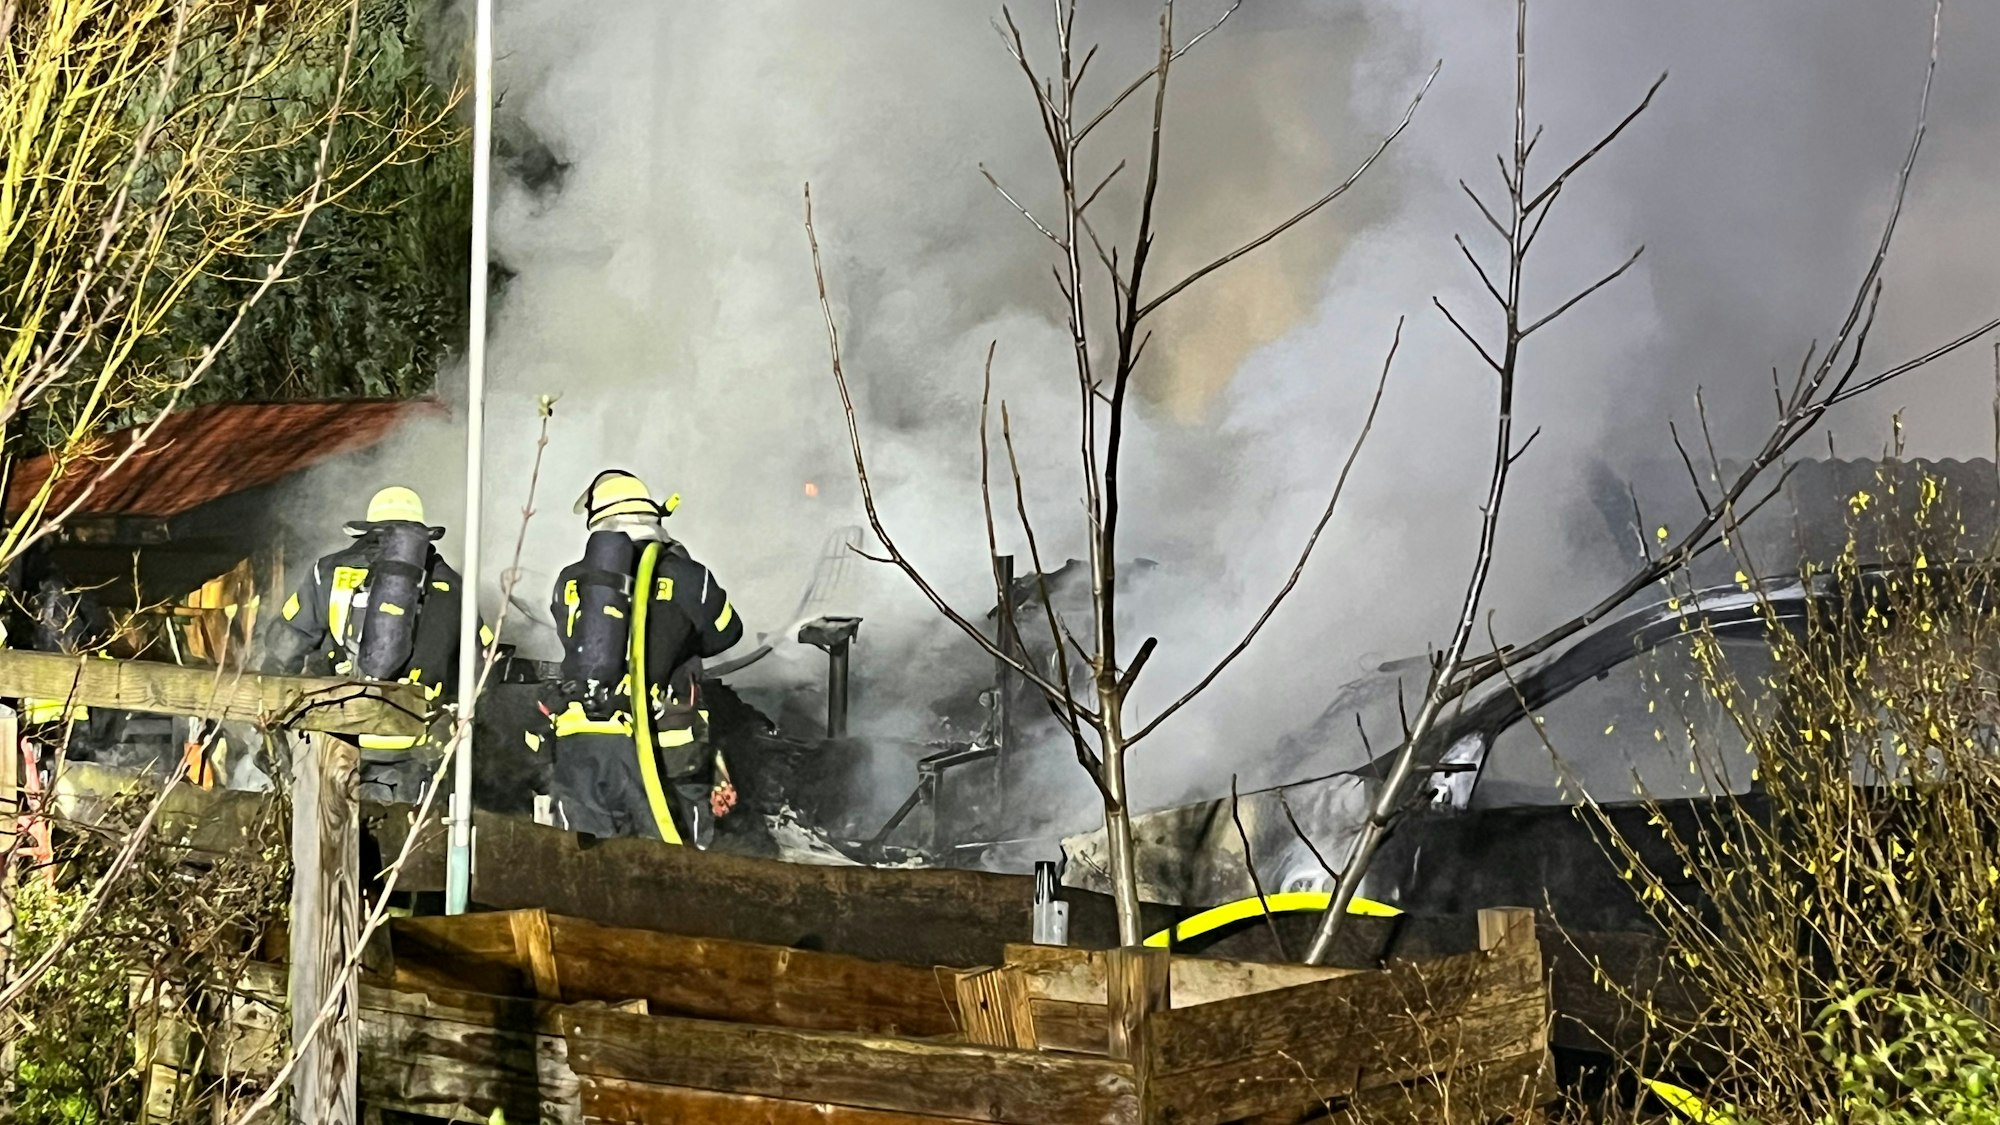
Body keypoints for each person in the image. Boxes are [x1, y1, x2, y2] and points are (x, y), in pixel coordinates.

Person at [546, 469, 743, 845]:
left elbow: (570, 636)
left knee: (583, 859)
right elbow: (727, 632)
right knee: (671, 863)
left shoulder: (569, 580)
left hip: (581, 739)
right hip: (661, 745)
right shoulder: (689, 576)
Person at [261, 485, 491, 802]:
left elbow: (285, 647)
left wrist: (270, 723)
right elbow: (483, 669)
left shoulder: (327, 572)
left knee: (330, 825)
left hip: (338, 735)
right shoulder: (453, 587)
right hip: (413, 746)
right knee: (402, 831)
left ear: (368, 530)